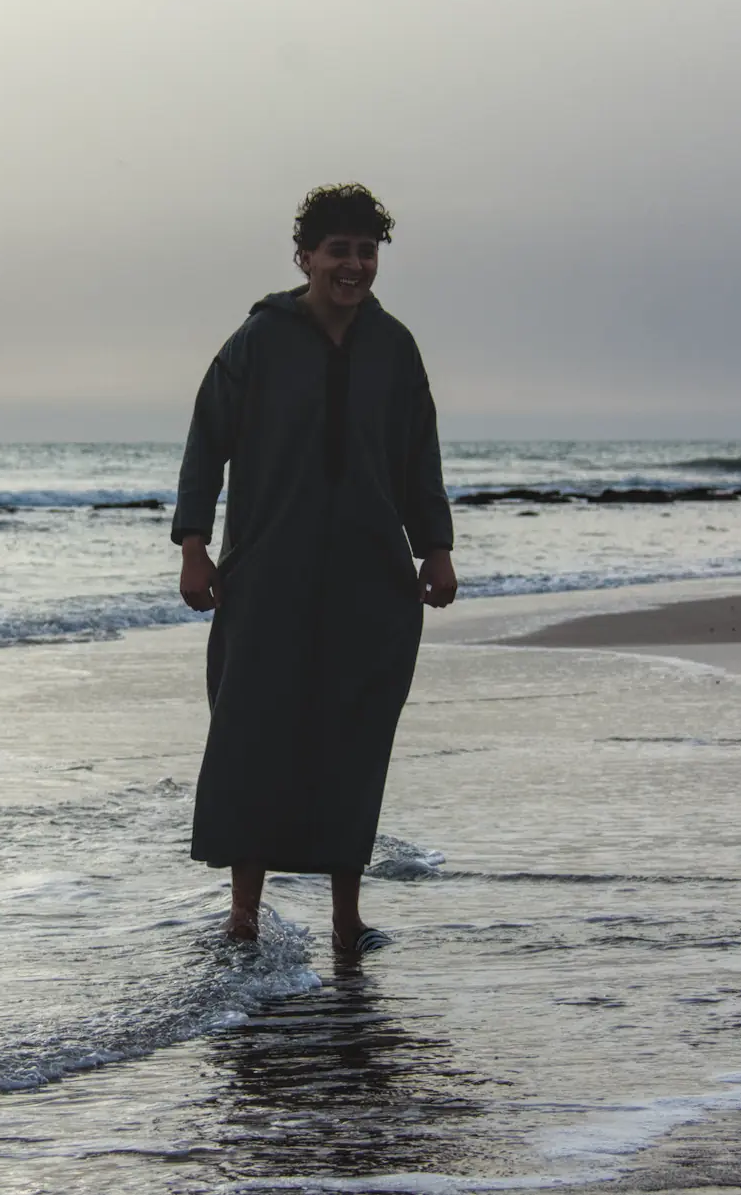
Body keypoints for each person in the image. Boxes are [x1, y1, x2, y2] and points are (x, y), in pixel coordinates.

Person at [172, 183, 457, 955]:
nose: (354, 265)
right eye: (339, 250)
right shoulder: (258, 342)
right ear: (305, 257)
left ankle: (346, 917)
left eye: (367, 252)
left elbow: (417, 453)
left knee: (353, 739)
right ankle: (243, 915)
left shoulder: (394, 348)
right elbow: (207, 441)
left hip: (371, 578)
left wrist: (435, 544)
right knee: (250, 733)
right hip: (268, 571)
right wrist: (194, 542)